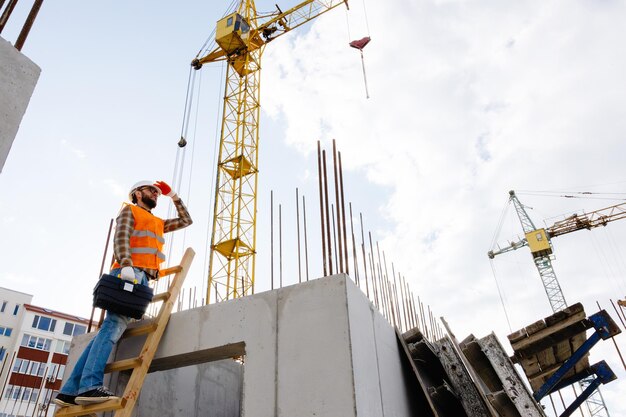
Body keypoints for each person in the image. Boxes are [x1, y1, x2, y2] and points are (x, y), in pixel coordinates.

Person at [54, 180, 192, 406]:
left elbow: (186, 220)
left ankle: (69, 391)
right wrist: (126, 264)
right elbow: (121, 238)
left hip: (142, 278)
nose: (155, 194)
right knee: (112, 327)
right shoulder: (130, 211)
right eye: (151, 190)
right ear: (137, 194)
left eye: (158, 193)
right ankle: (89, 387)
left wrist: (174, 196)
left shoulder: (157, 222)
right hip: (129, 274)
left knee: (106, 331)